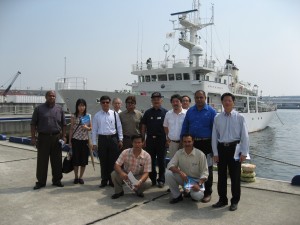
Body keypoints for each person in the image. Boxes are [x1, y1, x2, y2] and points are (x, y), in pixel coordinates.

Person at [212, 92, 249, 211]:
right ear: (222, 102)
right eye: (225, 100)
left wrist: (244, 152)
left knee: (235, 177)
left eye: (229, 100)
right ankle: (222, 199)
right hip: (222, 148)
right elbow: (214, 136)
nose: (227, 102)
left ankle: (235, 201)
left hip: (235, 149)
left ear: (233, 102)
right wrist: (215, 153)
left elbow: (245, 136)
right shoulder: (217, 117)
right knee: (221, 176)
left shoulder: (240, 117)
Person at [181, 90, 216, 203]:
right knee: (191, 166)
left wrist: (214, 148)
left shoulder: (211, 112)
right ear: (194, 98)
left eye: (201, 97)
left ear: (205, 98)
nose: (199, 99)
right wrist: (183, 140)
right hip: (193, 143)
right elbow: (185, 126)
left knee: (207, 169)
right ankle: (190, 188)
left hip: (207, 143)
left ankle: (207, 192)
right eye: (197, 98)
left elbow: (216, 130)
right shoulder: (190, 111)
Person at [31, 90, 66, 190]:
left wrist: (64, 136)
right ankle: (41, 182)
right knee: (42, 161)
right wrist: (33, 137)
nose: (52, 97)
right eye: (50, 96)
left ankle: (57, 180)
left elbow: (64, 124)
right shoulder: (39, 109)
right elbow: (33, 124)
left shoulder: (59, 109)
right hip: (43, 138)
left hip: (56, 138)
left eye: (54, 96)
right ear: (46, 97)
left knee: (57, 160)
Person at [165, 134, 208, 204]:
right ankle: (177, 196)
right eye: (185, 142)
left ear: (193, 141)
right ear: (182, 142)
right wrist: (180, 172)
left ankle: (190, 192)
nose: (187, 143)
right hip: (184, 179)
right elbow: (170, 165)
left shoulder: (200, 154)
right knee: (168, 173)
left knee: (198, 196)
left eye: (189, 141)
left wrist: (199, 184)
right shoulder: (179, 153)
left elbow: (205, 173)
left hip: (196, 181)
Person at [92, 96, 123, 188]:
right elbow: (94, 130)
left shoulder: (114, 114)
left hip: (113, 139)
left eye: (107, 102)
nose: (105, 104)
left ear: (109, 103)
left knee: (113, 161)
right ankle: (104, 180)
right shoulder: (97, 115)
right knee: (103, 160)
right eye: (103, 102)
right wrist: (94, 143)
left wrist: (120, 139)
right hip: (102, 139)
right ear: (101, 103)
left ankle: (112, 180)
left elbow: (119, 127)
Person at [110, 135, 152, 199]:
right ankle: (119, 191)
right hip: (126, 175)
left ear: (143, 143)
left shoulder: (147, 156)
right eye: (135, 142)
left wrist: (140, 181)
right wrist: (122, 173)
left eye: (139, 142)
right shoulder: (125, 152)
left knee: (148, 182)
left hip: (138, 176)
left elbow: (146, 173)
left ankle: (138, 191)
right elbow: (116, 165)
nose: (137, 144)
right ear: (132, 143)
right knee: (114, 174)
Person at [141, 92, 168, 188]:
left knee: (161, 161)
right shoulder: (148, 113)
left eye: (158, 98)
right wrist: (142, 139)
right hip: (150, 140)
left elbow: (168, 127)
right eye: (154, 99)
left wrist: (168, 139)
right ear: (151, 101)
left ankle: (161, 180)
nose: (156, 100)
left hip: (162, 140)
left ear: (161, 100)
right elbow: (143, 126)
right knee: (150, 160)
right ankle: (152, 179)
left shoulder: (166, 112)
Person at [68, 99, 92, 185]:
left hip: (84, 141)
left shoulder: (88, 116)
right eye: (79, 105)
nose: (81, 107)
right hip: (76, 140)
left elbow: (91, 128)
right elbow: (71, 129)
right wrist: (70, 141)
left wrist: (87, 128)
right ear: (77, 106)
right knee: (75, 160)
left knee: (83, 160)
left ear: (85, 106)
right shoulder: (74, 116)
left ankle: (81, 177)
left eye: (83, 105)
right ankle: (76, 177)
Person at [163, 94, 187, 158]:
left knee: (183, 162)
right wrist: (168, 137)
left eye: (177, 101)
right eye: (173, 102)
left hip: (184, 143)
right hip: (172, 143)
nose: (175, 103)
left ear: (181, 102)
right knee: (173, 162)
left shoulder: (186, 114)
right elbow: (165, 126)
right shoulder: (168, 114)